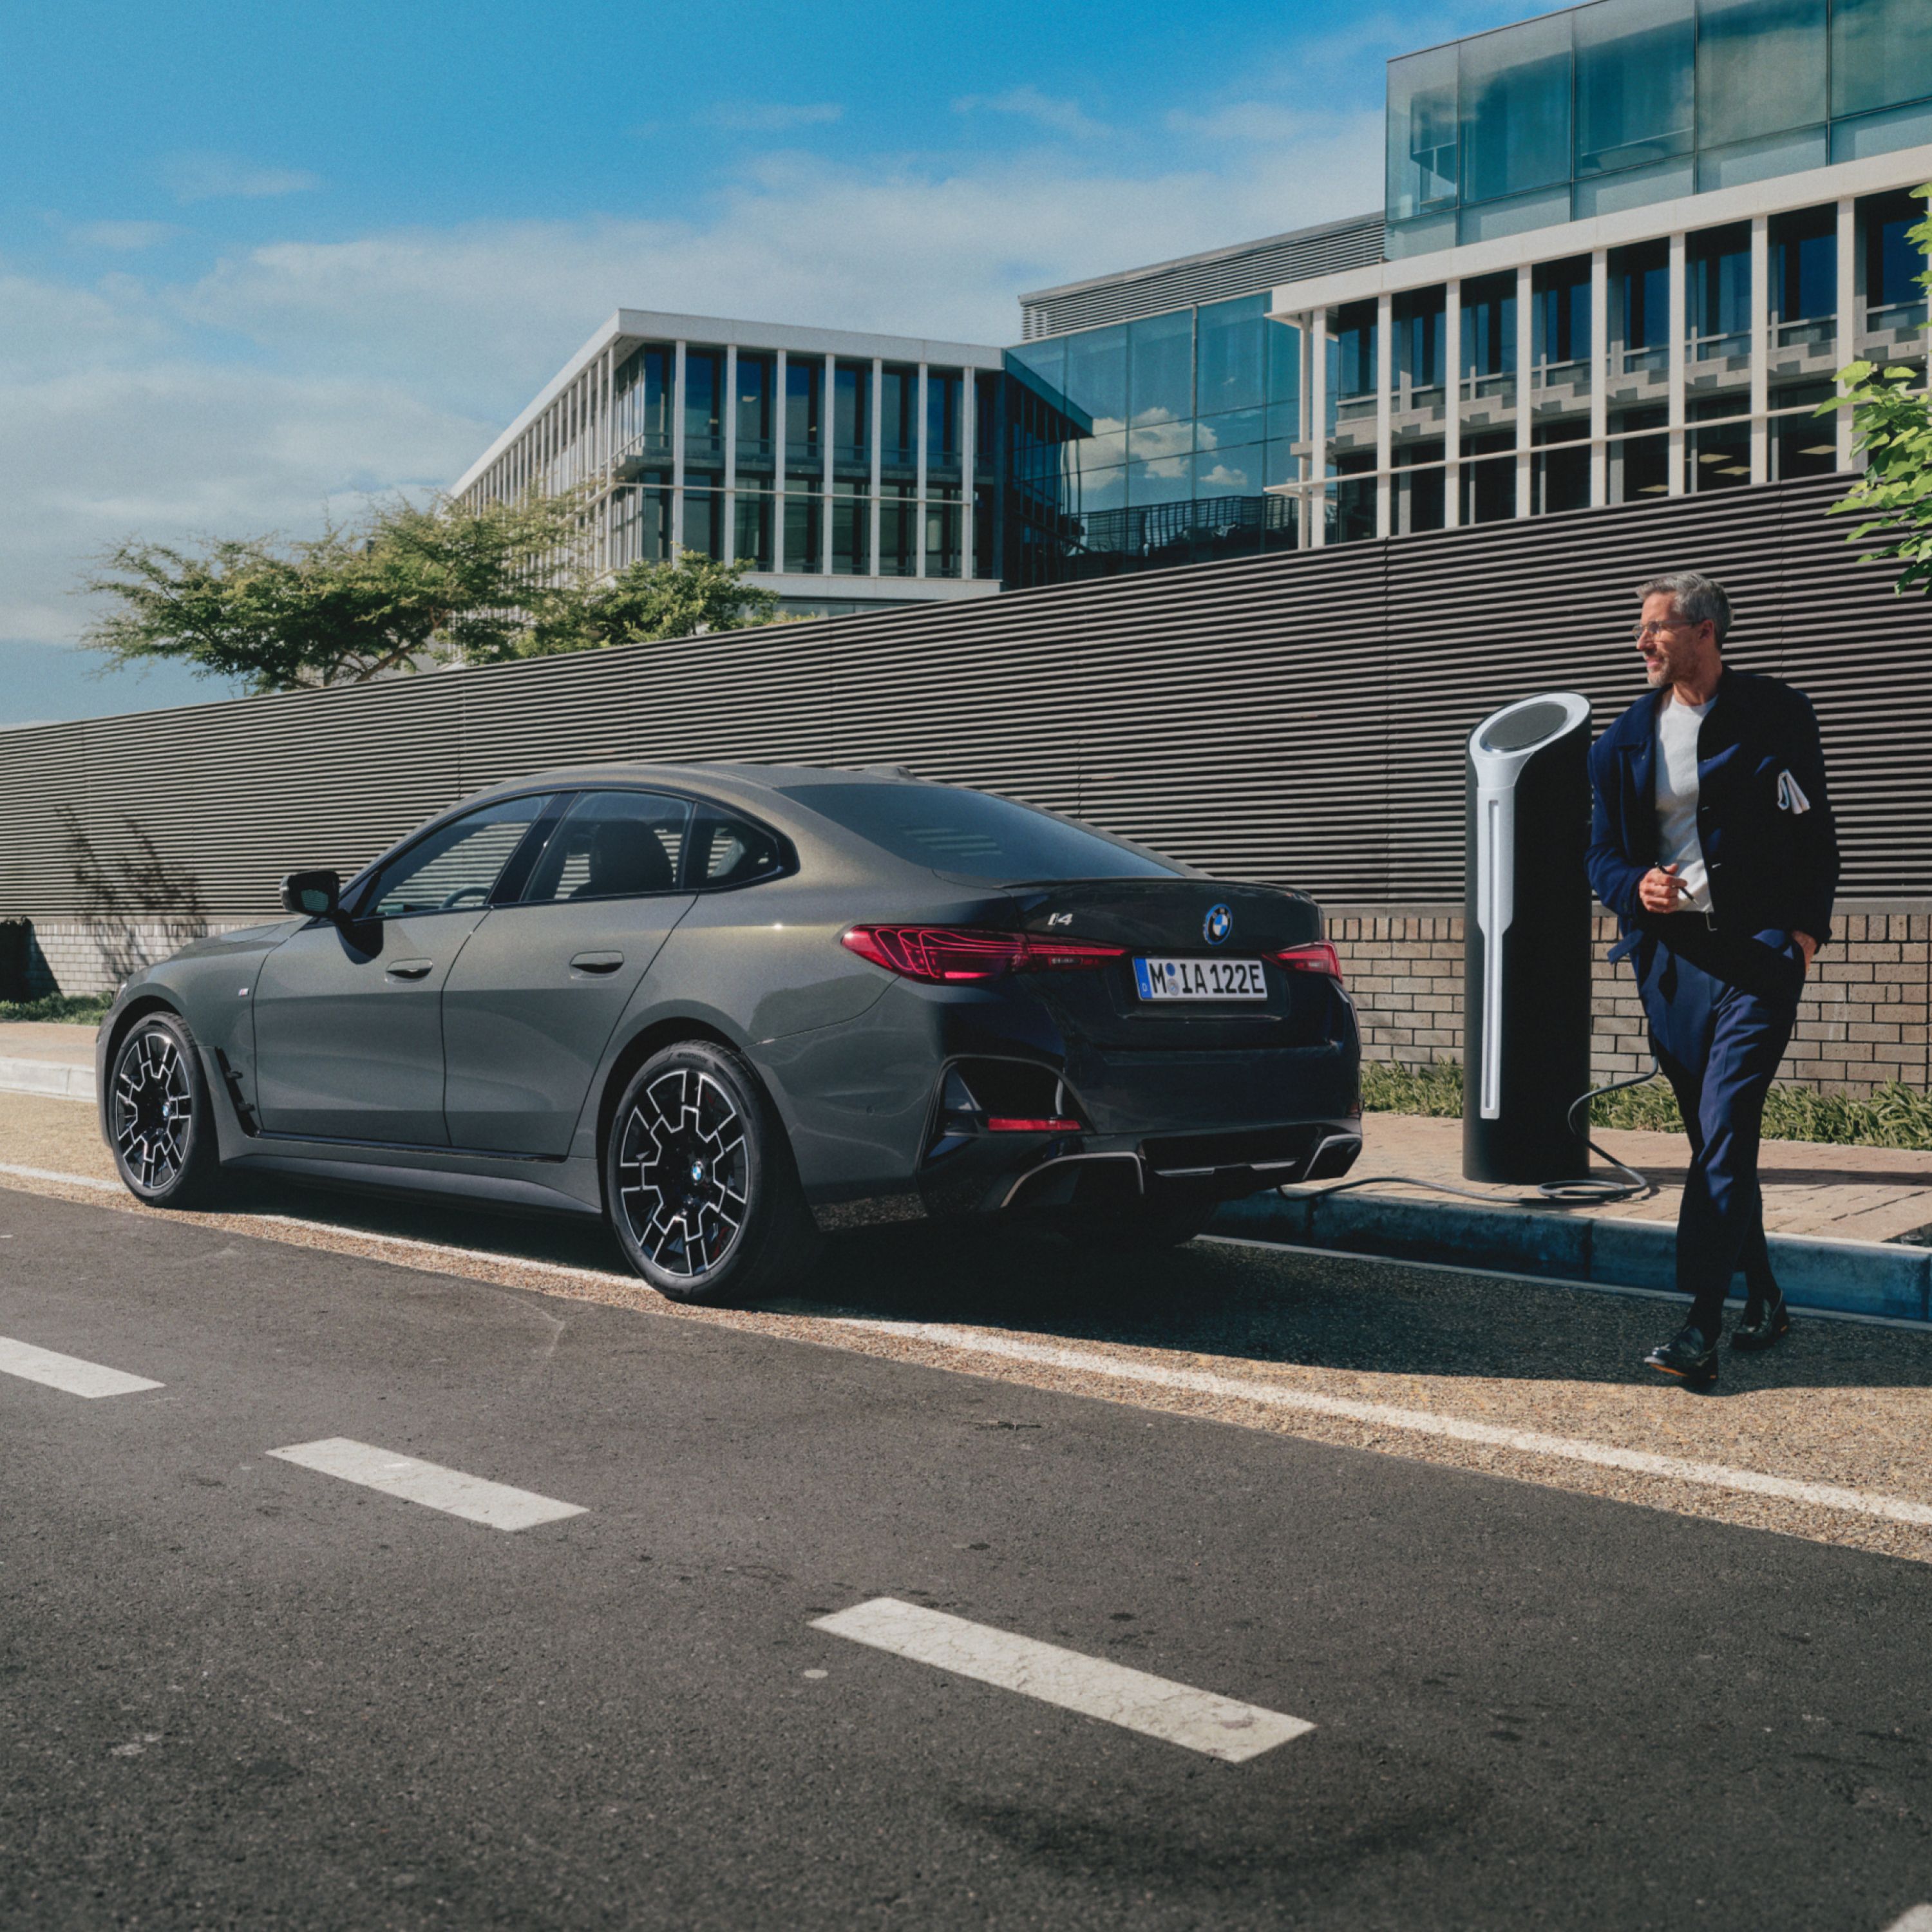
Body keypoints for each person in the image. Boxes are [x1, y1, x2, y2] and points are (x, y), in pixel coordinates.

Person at [1586, 571, 1838, 1387]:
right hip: (1676, 964)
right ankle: (1764, 1294)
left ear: (1705, 633)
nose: (1641, 643)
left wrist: (1803, 932)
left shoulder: (1777, 714)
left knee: (1728, 1126)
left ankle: (1700, 1326)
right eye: (1640, 630)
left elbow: (1815, 832)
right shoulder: (1620, 741)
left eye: (1656, 628)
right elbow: (1601, 858)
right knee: (1713, 1144)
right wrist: (1637, 889)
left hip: (1758, 952)